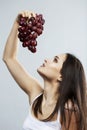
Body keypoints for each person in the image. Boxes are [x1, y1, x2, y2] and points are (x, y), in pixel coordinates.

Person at [3, 11, 87, 130]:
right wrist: (17, 23)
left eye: (55, 60)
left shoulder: (69, 111)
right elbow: (8, 58)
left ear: (61, 76)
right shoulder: (36, 95)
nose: (47, 60)